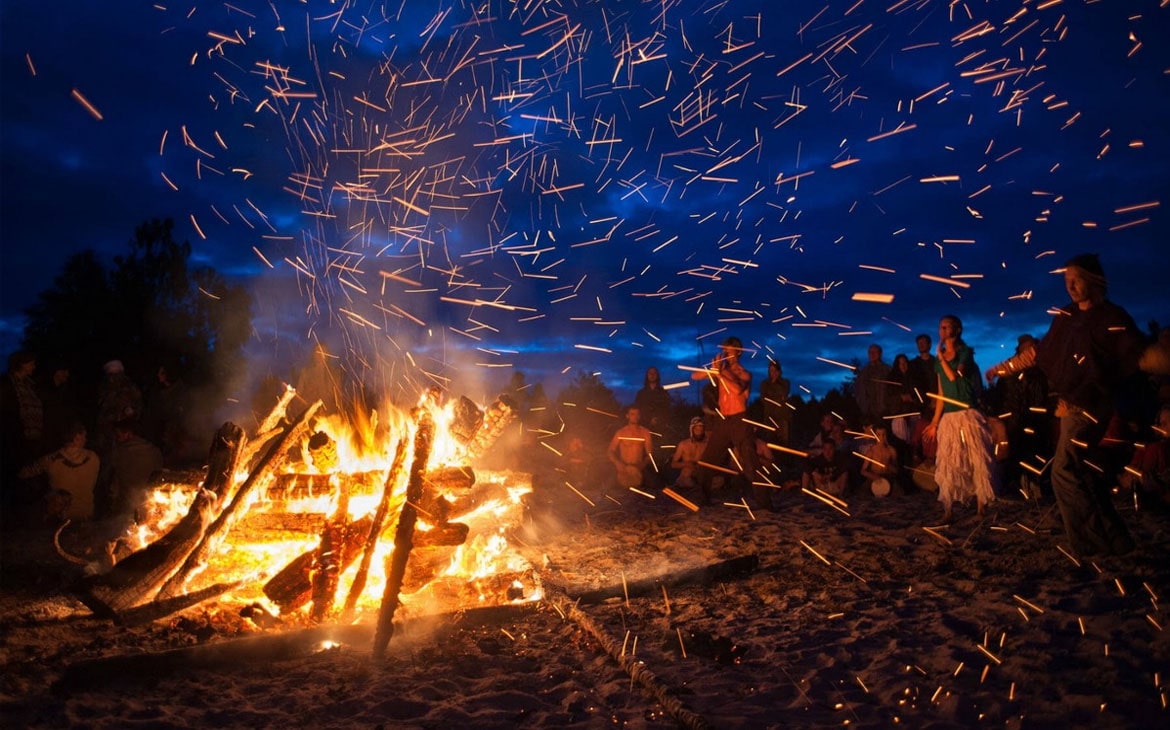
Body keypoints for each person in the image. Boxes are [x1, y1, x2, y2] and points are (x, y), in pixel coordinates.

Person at [986, 254, 1153, 557]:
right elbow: (1039, 353)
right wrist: (1003, 368)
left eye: (1076, 279)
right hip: (1068, 406)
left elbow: (1137, 357)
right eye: (1066, 280)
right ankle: (1116, 539)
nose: (1070, 286)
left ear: (1095, 280)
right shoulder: (1066, 317)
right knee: (1082, 474)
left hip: (1092, 407)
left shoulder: (1112, 318)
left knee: (1062, 471)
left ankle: (1088, 543)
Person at [922, 315, 995, 522]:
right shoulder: (940, 360)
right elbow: (941, 394)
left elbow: (955, 376)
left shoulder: (965, 353)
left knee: (977, 459)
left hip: (968, 413)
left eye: (947, 327)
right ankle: (948, 511)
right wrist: (935, 423)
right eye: (941, 326)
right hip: (950, 416)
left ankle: (982, 509)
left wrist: (942, 358)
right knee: (949, 461)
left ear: (957, 330)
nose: (943, 330)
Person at [690, 336, 768, 508]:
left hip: (740, 420)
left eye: (728, 350)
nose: (725, 353)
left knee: (750, 462)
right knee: (707, 460)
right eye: (723, 350)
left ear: (738, 352)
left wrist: (720, 373)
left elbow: (738, 389)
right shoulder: (721, 369)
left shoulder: (744, 373)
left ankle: (765, 503)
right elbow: (694, 376)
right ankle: (703, 499)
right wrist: (712, 370)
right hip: (723, 421)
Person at [19, 421, 100, 523]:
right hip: (86, 514)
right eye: (84, 436)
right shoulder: (93, 457)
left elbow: (23, 474)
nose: (86, 439)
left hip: (60, 518)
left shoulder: (50, 460)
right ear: (77, 438)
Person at [606, 406, 659, 491]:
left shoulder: (645, 432)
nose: (635, 417)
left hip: (639, 466)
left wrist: (641, 465)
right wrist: (617, 463)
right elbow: (610, 451)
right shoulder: (620, 432)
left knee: (655, 487)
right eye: (632, 414)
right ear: (627, 416)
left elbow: (650, 454)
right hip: (622, 466)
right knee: (607, 487)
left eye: (637, 414)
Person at [859, 421, 901, 497]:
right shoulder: (871, 451)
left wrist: (889, 467)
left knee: (898, 494)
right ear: (875, 436)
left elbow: (897, 470)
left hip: (888, 477)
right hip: (873, 477)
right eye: (878, 435)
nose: (881, 437)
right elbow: (863, 471)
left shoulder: (891, 450)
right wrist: (873, 476)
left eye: (884, 435)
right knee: (863, 495)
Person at [759, 360, 792, 448]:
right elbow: (764, 399)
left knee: (783, 443)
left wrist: (775, 385)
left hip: (782, 418)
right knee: (770, 442)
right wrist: (777, 397)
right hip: (769, 417)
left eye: (775, 371)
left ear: (779, 371)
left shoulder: (785, 382)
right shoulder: (764, 384)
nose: (773, 373)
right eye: (771, 371)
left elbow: (784, 393)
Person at [855, 344, 892, 423]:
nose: (872, 354)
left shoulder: (888, 370)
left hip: (886, 411)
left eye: (874, 352)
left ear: (880, 354)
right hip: (869, 413)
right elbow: (859, 392)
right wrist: (865, 408)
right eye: (870, 352)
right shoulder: (864, 372)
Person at [670, 416, 707, 489]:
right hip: (686, 478)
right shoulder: (683, 444)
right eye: (697, 429)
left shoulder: (706, 445)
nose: (699, 432)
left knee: (719, 480)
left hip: (701, 475)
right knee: (688, 481)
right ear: (692, 430)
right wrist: (688, 464)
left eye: (701, 429)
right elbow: (673, 464)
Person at [633, 366, 671, 437]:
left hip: (660, 428)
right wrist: (648, 419)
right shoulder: (641, 393)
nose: (652, 375)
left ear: (657, 375)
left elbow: (667, 409)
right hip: (644, 427)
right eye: (650, 373)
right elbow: (637, 410)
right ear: (647, 376)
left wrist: (658, 418)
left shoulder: (663, 392)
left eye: (654, 373)